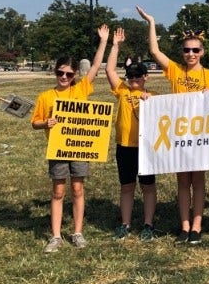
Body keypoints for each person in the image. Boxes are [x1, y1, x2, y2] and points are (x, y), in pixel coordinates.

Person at [137, 6, 209, 245]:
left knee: (199, 181)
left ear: (202, 52)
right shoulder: (175, 71)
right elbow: (154, 50)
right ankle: (184, 225)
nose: (190, 54)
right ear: (182, 52)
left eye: (195, 50)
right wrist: (151, 21)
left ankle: (197, 226)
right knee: (183, 181)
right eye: (186, 50)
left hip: (200, 135)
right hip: (180, 134)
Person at [31, 24, 110, 253]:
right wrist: (45, 123)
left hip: (80, 149)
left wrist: (103, 41)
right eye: (60, 73)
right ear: (55, 72)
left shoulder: (81, 89)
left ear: (75, 75)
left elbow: (96, 66)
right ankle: (55, 236)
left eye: (68, 74)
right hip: (57, 149)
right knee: (58, 192)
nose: (64, 77)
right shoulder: (46, 96)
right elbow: (35, 122)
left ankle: (77, 232)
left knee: (77, 189)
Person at [105, 28, 158, 242]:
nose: (133, 79)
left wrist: (150, 100)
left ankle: (148, 224)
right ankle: (125, 224)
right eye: (130, 76)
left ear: (145, 77)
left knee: (148, 187)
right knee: (126, 186)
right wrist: (115, 46)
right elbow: (109, 70)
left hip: (145, 148)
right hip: (124, 146)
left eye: (137, 76)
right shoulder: (123, 91)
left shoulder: (152, 96)